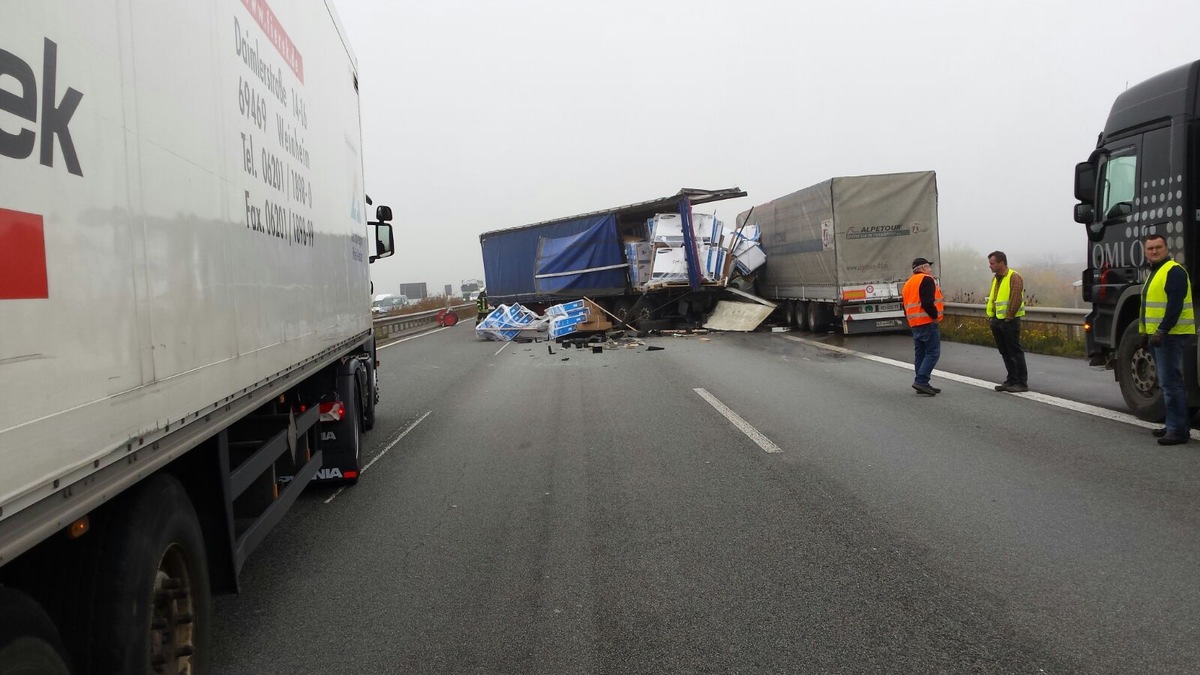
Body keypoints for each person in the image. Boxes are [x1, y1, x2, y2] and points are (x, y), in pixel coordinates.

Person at [1140, 234, 1195, 445]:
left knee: (1171, 384)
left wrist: (1162, 330)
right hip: (1159, 337)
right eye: (1150, 248)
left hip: (1170, 336)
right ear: (1145, 252)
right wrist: (1145, 333)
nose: (1154, 251)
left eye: (1158, 247)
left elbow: (1175, 305)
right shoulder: (1155, 273)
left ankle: (1178, 430)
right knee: (1167, 384)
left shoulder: (1173, 271)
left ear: (1166, 249)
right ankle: (1174, 424)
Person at [985, 251, 1029, 392]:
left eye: (992, 263)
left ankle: (1021, 383)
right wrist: (992, 318)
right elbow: (994, 299)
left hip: (1009, 321)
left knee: (1014, 351)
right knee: (1005, 351)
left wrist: (1009, 318)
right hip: (997, 320)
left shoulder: (1014, 277)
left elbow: (1016, 298)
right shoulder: (996, 279)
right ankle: (1011, 380)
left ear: (1001, 263)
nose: (990, 266)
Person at [902, 257, 943, 396]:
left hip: (915, 323)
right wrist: (935, 317)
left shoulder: (908, 283)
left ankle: (922, 382)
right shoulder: (927, 279)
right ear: (924, 268)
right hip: (927, 322)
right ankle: (921, 381)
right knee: (933, 353)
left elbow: (906, 305)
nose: (931, 270)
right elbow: (927, 302)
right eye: (929, 267)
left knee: (920, 353)